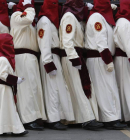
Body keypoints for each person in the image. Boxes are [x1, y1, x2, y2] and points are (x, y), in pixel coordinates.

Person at [59, 0, 103, 130]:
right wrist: (74, 59)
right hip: (72, 57)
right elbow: (67, 41)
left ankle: (82, 117)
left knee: (79, 87)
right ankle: (87, 119)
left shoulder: (74, 17)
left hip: (75, 56)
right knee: (78, 87)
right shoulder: (69, 17)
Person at [85, 0, 127, 130]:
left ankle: (110, 117)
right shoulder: (97, 17)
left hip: (102, 58)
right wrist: (108, 60)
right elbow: (101, 41)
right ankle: (110, 119)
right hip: (100, 58)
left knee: (108, 88)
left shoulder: (101, 17)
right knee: (105, 89)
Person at [37, 0, 75, 130]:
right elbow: (44, 43)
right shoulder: (44, 21)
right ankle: (53, 119)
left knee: (58, 88)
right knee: (52, 89)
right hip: (50, 58)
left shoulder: (51, 21)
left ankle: (58, 117)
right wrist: (48, 63)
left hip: (54, 57)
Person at [10, 0, 47, 130]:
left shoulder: (29, 19)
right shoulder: (16, 16)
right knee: (26, 89)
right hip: (22, 57)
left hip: (31, 57)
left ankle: (36, 116)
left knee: (34, 88)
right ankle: (27, 119)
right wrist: (29, 7)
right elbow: (28, 19)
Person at [114, 0, 130, 127]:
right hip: (126, 59)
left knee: (123, 88)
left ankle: (127, 116)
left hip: (122, 59)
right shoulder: (126, 24)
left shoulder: (120, 21)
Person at [0, 33, 28, 136]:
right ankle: (16, 129)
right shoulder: (2, 59)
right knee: (8, 108)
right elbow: (3, 74)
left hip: (4, 88)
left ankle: (9, 129)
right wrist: (16, 80)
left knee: (6, 109)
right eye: (9, 44)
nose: (12, 46)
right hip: (4, 88)